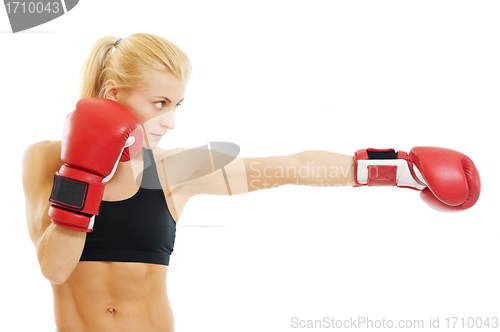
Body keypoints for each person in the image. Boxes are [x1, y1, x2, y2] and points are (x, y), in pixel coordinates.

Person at [21, 33, 481, 332]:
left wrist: (396, 168)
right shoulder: (45, 159)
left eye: (178, 105)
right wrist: (85, 171)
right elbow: (56, 269)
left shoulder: (174, 169)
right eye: (159, 102)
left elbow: (286, 167)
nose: (171, 121)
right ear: (112, 95)